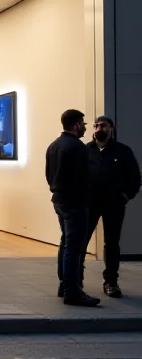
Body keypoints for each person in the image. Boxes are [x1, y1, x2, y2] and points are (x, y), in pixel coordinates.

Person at [82, 116, 141, 298]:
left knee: (112, 243)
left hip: (114, 204)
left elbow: (135, 177)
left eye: (103, 125)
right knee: (81, 241)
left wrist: (125, 196)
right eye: (96, 125)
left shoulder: (122, 151)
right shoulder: (86, 150)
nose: (99, 128)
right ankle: (76, 281)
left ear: (111, 128)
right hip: (89, 203)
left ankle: (111, 282)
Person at [46, 109, 99, 307]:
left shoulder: (54, 146)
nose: (86, 127)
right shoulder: (77, 147)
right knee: (74, 248)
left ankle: (64, 285)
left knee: (66, 243)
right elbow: (83, 177)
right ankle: (72, 291)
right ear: (76, 124)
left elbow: (49, 175)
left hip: (60, 200)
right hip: (75, 202)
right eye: (83, 123)